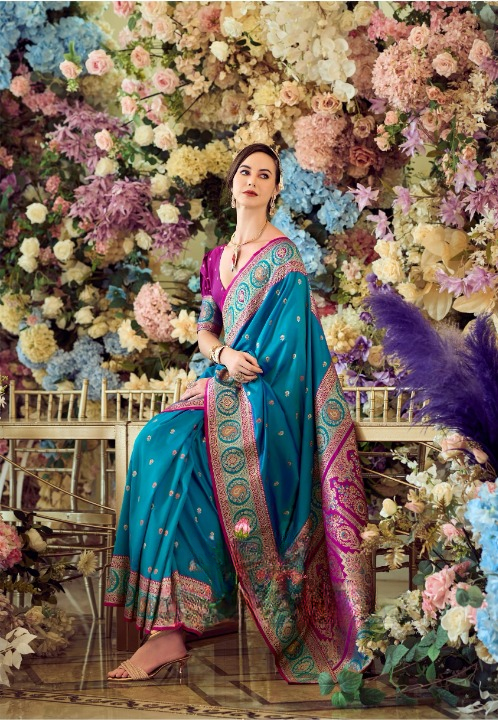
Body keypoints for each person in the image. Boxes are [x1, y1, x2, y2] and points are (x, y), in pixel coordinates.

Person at [105, 143, 373, 683]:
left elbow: (291, 352)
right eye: (245, 171)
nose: (252, 180)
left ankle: (180, 628)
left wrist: (237, 374)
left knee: (180, 455)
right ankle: (173, 628)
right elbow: (206, 331)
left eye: (265, 175)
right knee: (160, 447)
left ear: (275, 190)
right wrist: (223, 354)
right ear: (232, 184)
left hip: (269, 405)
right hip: (221, 383)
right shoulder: (216, 258)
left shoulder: (285, 259)